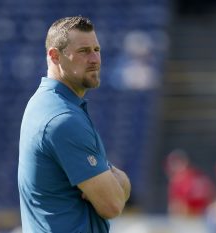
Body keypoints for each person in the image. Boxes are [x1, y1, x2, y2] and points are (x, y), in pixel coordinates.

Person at [18, 16, 131, 233]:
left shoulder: (45, 103)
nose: (95, 59)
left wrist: (110, 179)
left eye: (97, 49)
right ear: (54, 55)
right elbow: (112, 204)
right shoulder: (62, 118)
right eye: (84, 51)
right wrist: (118, 180)